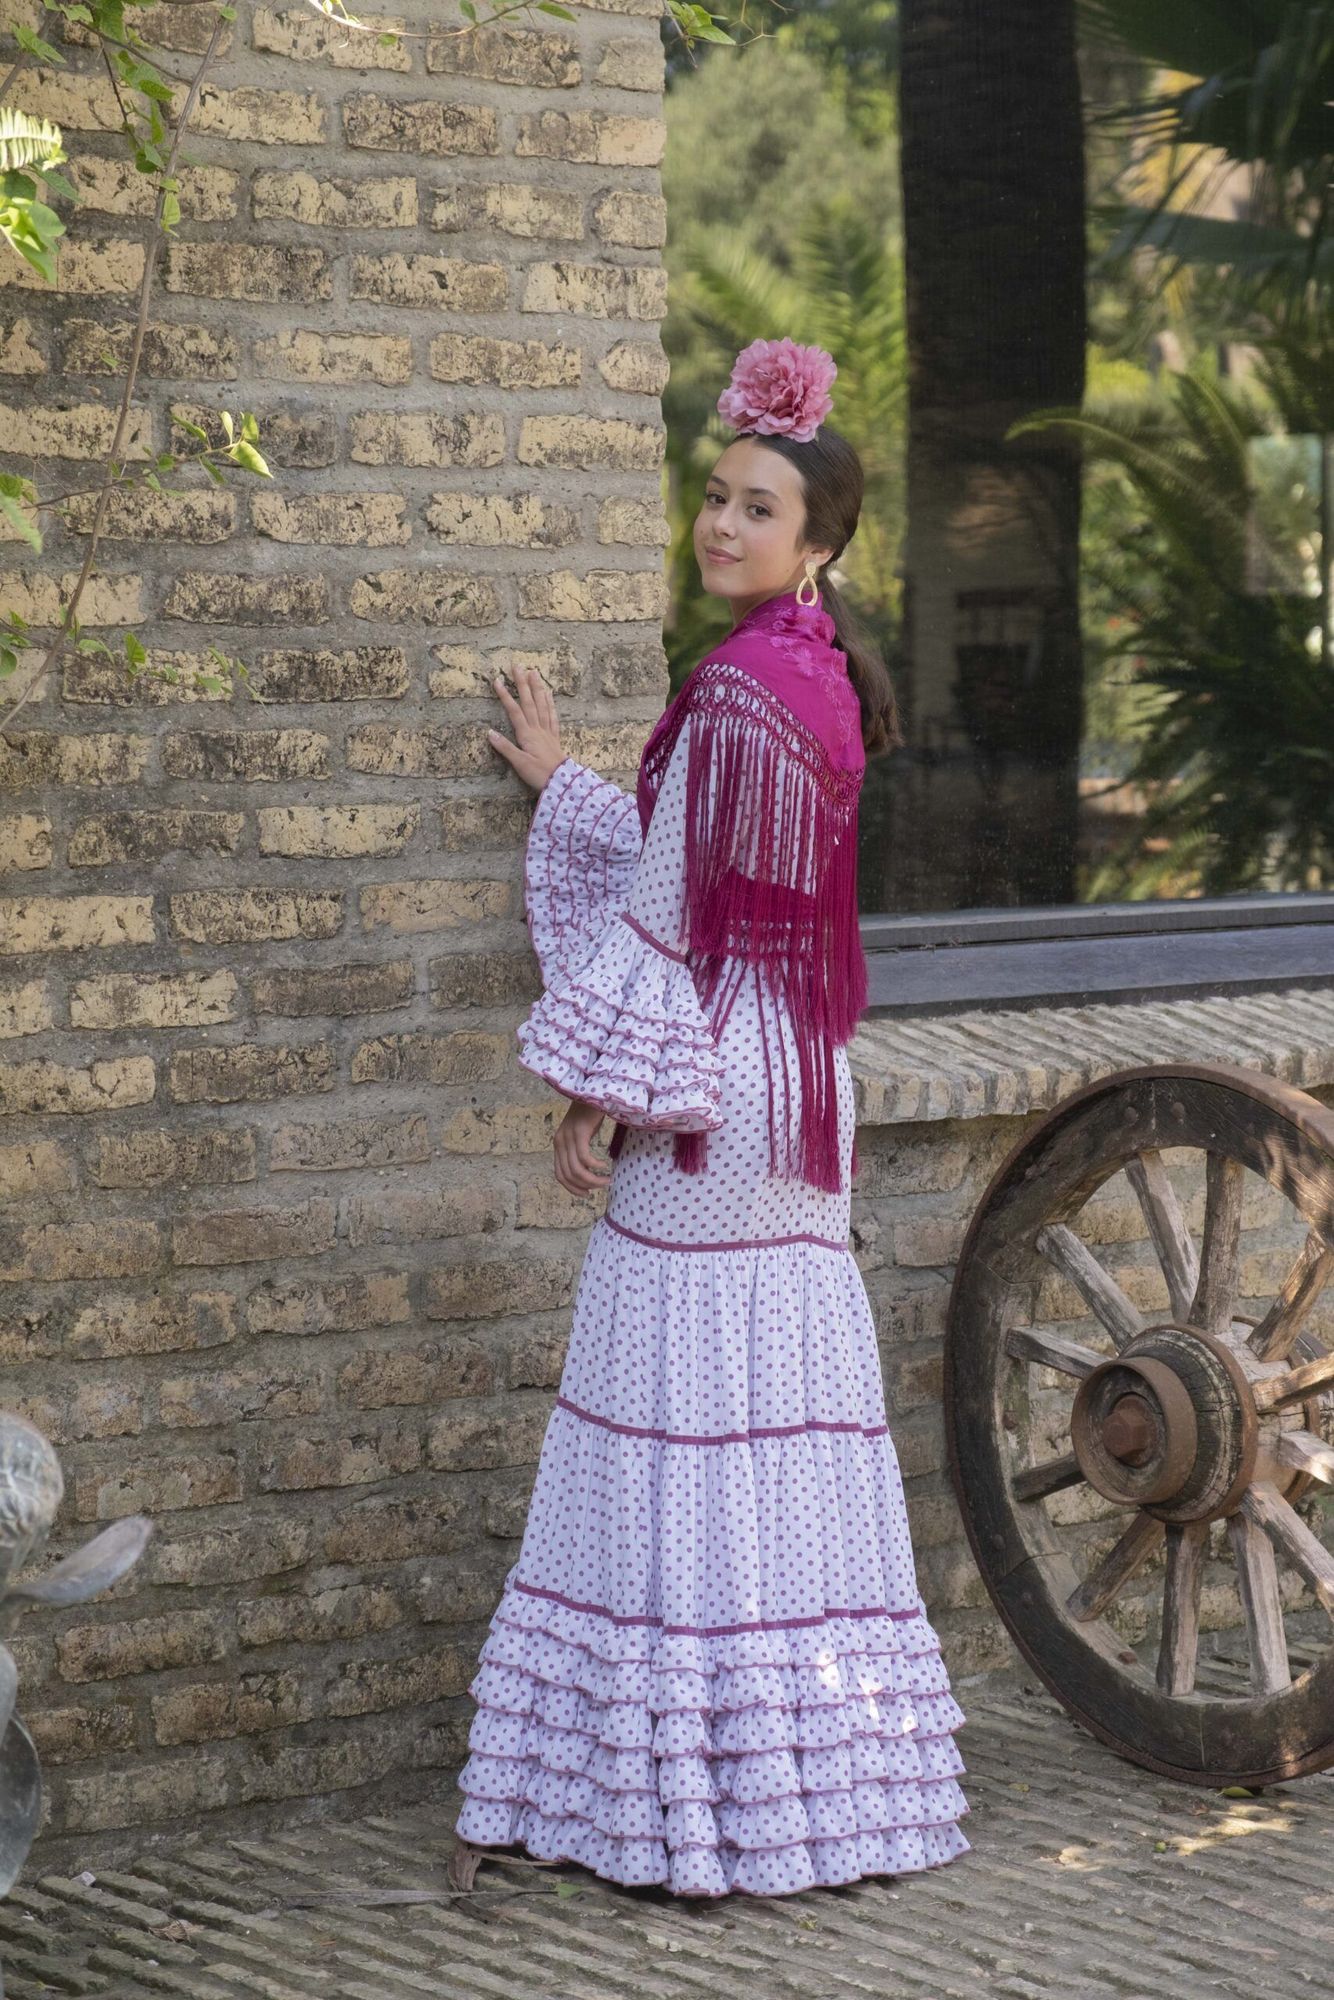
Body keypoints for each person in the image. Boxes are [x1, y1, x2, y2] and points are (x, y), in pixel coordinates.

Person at [450, 338, 971, 1899]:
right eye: (716, 496)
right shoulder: (819, 679)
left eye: (756, 507)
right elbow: (713, 877)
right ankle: (809, 1787)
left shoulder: (737, 686)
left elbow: (671, 917)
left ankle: (676, 1791)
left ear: (816, 541)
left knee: (670, 1417)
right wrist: (573, 786)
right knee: (774, 1422)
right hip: (797, 1079)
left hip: (709, 1089)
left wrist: (593, 1093)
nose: (721, 524)